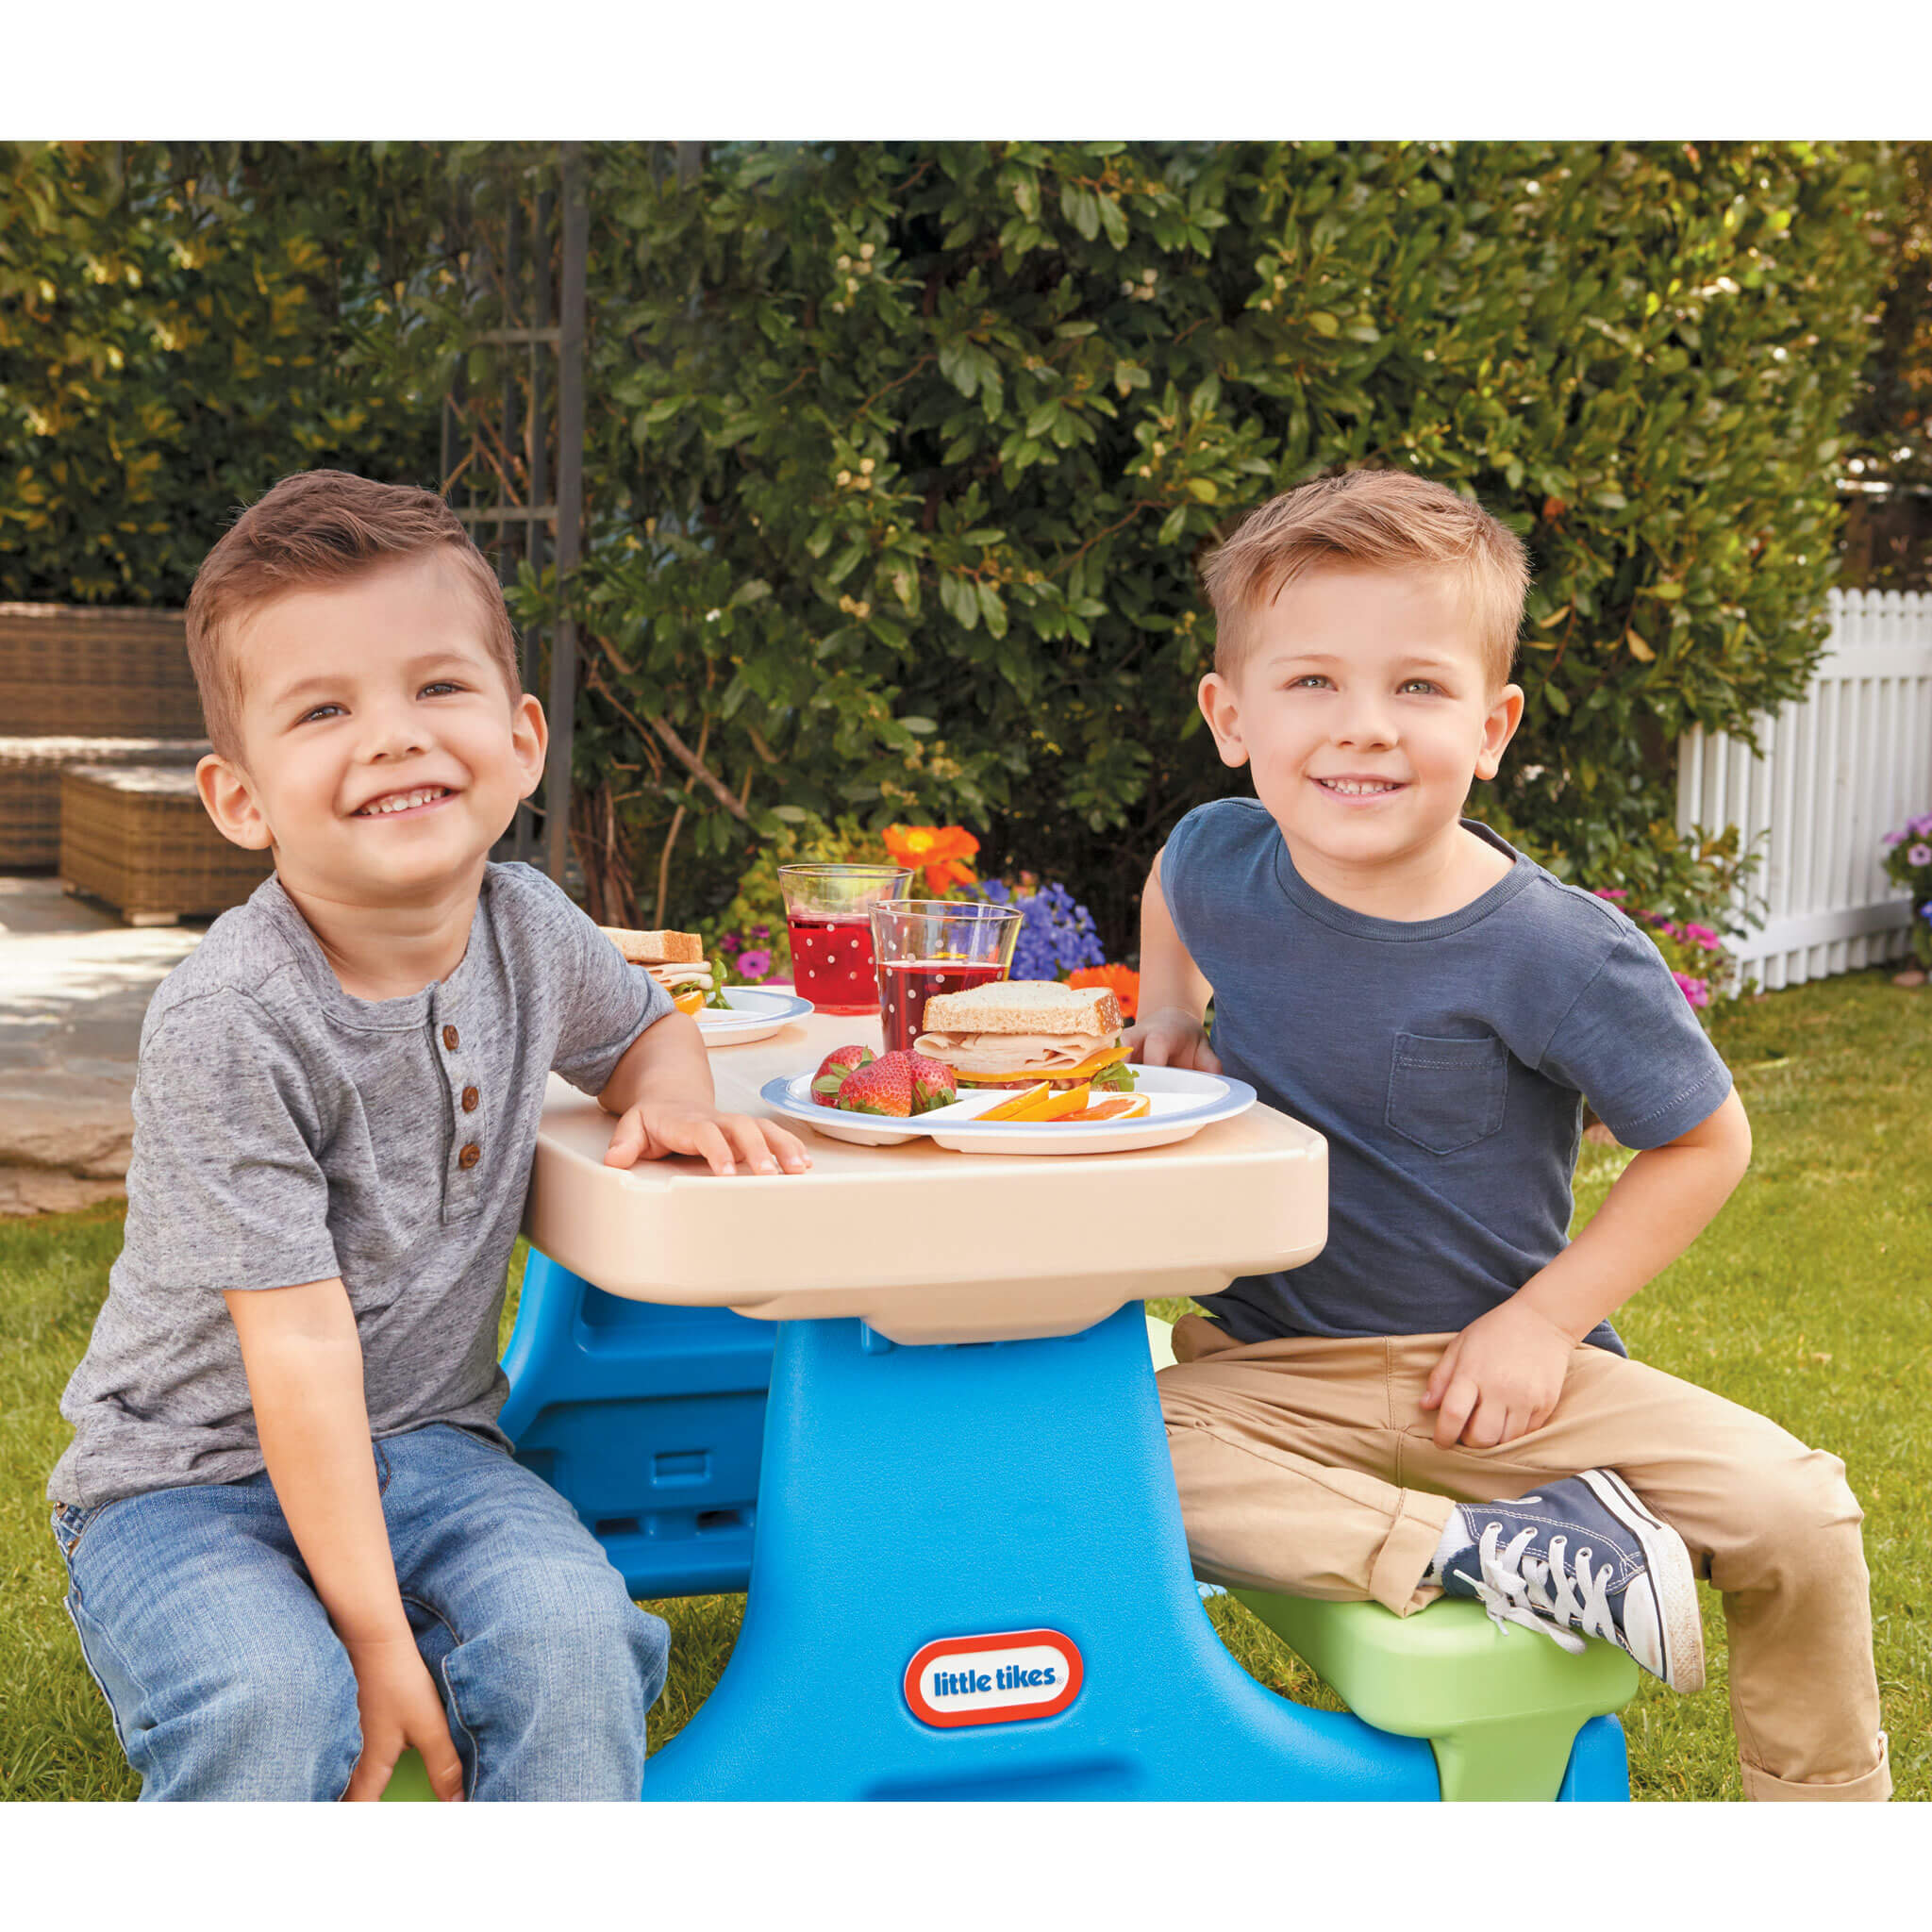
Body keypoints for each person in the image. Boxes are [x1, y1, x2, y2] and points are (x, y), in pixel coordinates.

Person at [46, 471, 811, 1802]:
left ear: (521, 740)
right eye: (326, 709)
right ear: (239, 798)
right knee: (271, 1697)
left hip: (432, 1449)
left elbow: (643, 1028)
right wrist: (377, 1636)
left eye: (436, 689)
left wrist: (670, 1094)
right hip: (183, 1484)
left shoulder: (531, 930)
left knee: (575, 1643)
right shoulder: (234, 1019)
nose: (394, 738)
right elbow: (293, 1349)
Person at [1131, 469, 1888, 1801]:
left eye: (1417, 688)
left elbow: (1705, 1143)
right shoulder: (1221, 858)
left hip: (1507, 1384)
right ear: (1230, 715)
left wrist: (1542, 1324)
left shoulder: (1555, 950)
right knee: (1111, 1460)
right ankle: (1482, 1553)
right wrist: (1164, 1022)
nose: (1362, 728)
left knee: (1802, 1513)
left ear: (1492, 727)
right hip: (1274, 1372)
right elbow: (1174, 881)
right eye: (1311, 683)